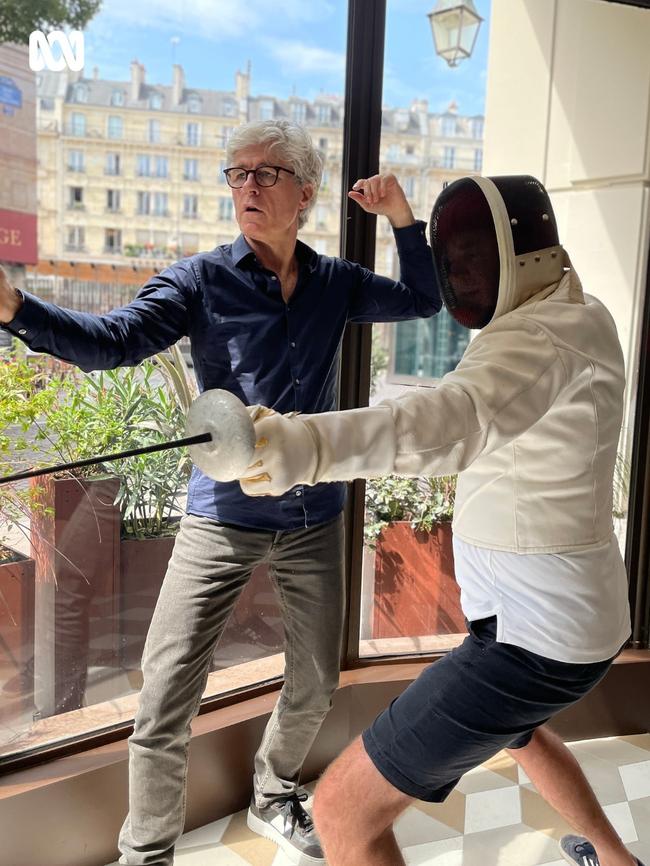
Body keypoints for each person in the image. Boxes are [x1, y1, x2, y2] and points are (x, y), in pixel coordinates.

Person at [0, 119, 441, 865]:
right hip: (222, 519)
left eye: (264, 174)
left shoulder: (334, 281)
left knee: (316, 680)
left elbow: (423, 299)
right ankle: (147, 853)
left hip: (313, 514)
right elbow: (113, 342)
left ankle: (274, 794)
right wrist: (16, 310)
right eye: (235, 174)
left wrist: (402, 217)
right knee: (166, 691)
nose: (245, 187)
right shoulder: (197, 280)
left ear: (305, 193)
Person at [239, 175, 645, 866]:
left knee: (341, 811)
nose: (459, 278)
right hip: (556, 622)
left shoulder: (543, 335)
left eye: (472, 262)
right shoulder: (573, 311)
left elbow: (450, 422)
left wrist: (299, 445)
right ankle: (616, 858)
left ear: (523, 253)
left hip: (536, 640)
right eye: (452, 265)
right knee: (518, 732)